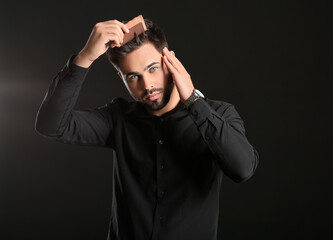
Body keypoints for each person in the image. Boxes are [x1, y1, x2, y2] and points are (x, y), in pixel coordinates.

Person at [35, 17, 259, 240]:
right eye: (133, 77)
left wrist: (193, 100)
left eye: (153, 68)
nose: (147, 85)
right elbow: (51, 125)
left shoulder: (218, 114)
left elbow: (243, 169)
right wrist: (85, 57)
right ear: (122, 78)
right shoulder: (118, 118)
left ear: (169, 59)